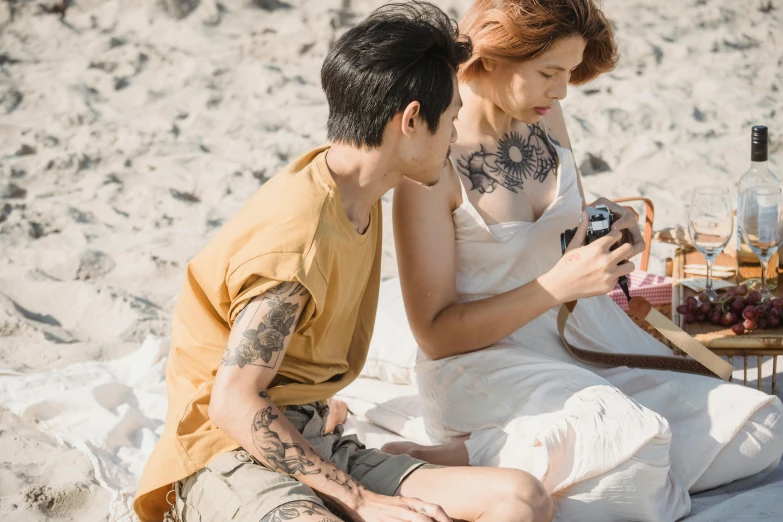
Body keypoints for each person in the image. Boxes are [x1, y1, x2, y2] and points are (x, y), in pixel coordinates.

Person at [132, 3, 554, 522]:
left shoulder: (358, 188)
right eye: (449, 121)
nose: (454, 138)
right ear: (412, 120)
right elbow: (234, 402)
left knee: (521, 498)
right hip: (227, 453)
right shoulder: (297, 238)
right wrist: (361, 500)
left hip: (310, 435)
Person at [386, 0, 783, 520]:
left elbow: (565, 235)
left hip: (579, 338)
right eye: (549, 72)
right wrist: (557, 285)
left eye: (569, 73)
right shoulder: (433, 156)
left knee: (760, 423)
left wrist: (607, 231)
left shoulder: (547, 115)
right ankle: (459, 460)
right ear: (491, 56)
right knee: (636, 451)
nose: (561, 90)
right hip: (484, 361)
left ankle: (535, 459)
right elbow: (436, 334)